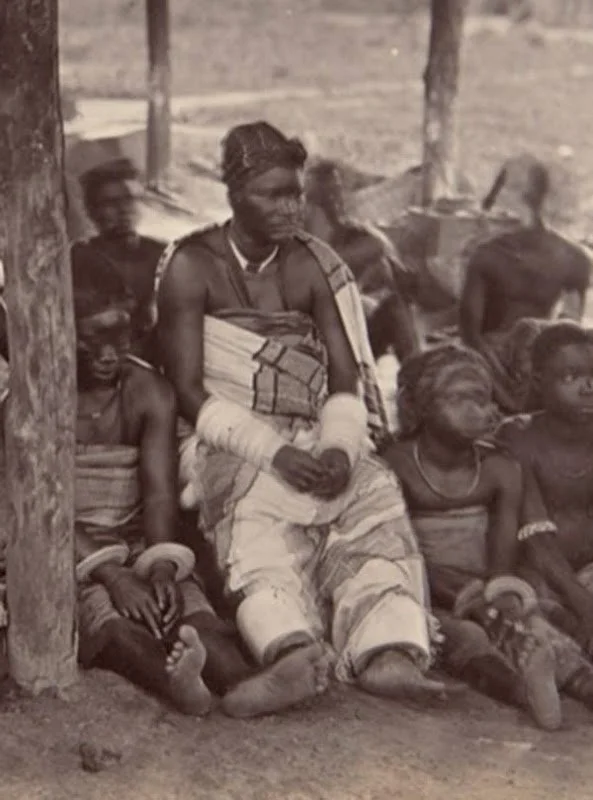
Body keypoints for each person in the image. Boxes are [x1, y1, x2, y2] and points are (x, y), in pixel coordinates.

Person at [156, 120, 449, 707]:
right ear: (234, 194)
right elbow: (188, 389)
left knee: (372, 497)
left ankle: (388, 653)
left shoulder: (312, 263)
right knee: (254, 515)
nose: (291, 206)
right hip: (230, 435)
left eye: (294, 191)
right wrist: (275, 451)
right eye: (272, 194)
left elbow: (343, 377)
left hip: (314, 427)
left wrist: (339, 447)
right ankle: (291, 655)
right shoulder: (193, 265)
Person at [71, 249, 333, 718]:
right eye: (93, 338)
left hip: (132, 543)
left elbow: (157, 493)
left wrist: (159, 567)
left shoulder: (147, 391)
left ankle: (244, 683)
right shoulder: (28, 403)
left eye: (121, 332)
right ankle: (178, 685)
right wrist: (112, 577)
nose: (112, 352)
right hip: (68, 550)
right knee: (111, 626)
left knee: (190, 611)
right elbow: (33, 511)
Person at [382, 343, 593, 730]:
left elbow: (501, 560)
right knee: (464, 637)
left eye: (485, 398)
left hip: (484, 585)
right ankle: (522, 690)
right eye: (464, 398)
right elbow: (397, 550)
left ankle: (580, 681)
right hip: (424, 586)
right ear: (424, 406)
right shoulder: (395, 463)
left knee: (529, 622)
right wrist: (462, 597)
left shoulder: (500, 467)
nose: (483, 410)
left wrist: (497, 593)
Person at [459, 156, 591, 413]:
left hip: (542, 361)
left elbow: (571, 335)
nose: (493, 200)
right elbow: (471, 338)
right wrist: (508, 395)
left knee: (533, 332)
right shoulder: (487, 255)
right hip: (491, 363)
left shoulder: (575, 258)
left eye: (501, 191)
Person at [497, 323, 593, 665]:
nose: (588, 387)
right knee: (534, 613)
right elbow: (535, 537)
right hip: (543, 574)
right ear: (538, 381)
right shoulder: (519, 437)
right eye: (571, 376)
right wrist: (582, 602)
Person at [303, 157, 419, 362]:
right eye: (329, 193)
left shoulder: (356, 237)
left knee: (395, 309)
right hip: (311, 346)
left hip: (354, 340)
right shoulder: (289, 244)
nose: (337, 199)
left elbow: (378, 247)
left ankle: (419, 380)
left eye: (337, 191)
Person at [72, 158, 165, 363]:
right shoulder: (78, 259)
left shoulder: (162, 254)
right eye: (111, 203)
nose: (124, 210)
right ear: (91, 210)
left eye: (130, 199)